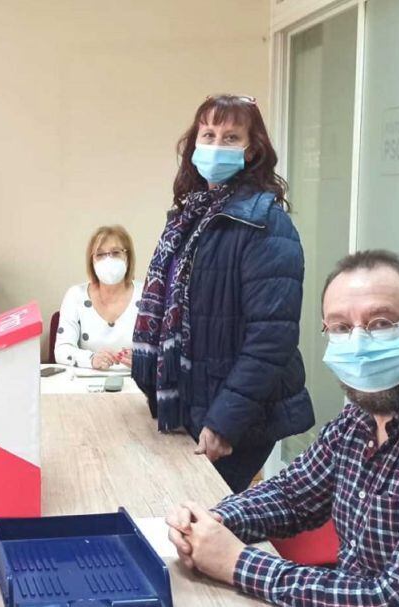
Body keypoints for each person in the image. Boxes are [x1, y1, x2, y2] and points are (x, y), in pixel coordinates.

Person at [168, 250, 399, 605]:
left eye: (380, 323)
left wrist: (235, 562)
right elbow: (293, 496)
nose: (358, 345)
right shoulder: (365, 412)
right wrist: (212, 521)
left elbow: (398, 599)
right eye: (341, 328)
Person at [131, 94, 314, 492]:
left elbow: (271, 339)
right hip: (191, 402)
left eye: (231, 138)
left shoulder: (266, 224)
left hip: (235, 420)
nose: (216, 145)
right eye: (208, 134)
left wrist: (224, 421)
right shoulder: (190, 217)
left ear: (252, 151)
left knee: (199, 522)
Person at [53, 225, 143, 370]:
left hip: (138, 385)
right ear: (92, 261)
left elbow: (167, 350)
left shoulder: (148, 295)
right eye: (100, 254)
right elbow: (62, 350)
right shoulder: (75, 295)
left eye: (115, 252)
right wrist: (91, 359)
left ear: (128, 256)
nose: (108, 259)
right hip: (87, 387)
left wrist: (145, 359)